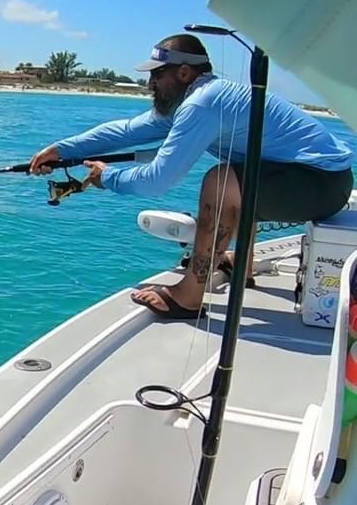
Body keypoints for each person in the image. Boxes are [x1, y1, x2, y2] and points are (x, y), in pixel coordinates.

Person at [28, 33, 354, 319]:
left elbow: (158, 181)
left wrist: (108, 177)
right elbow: (127, 131)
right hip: (321, 178)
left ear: (184, 72)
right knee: (241, 173)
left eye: (157, 74)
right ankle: (241, 264)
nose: (150, 82)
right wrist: (62, 150)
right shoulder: (197, 99)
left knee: (221, 181)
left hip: (320, 183)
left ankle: (188, 297)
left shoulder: (202, 104)